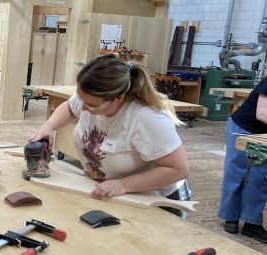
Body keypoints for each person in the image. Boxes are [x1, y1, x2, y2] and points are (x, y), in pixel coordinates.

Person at [29, 55, 191, 211]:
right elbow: (70, 108)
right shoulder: (90, 97)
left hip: (154, 199)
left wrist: (124, 184)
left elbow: (178, 169)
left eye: (92, 106)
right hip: (111, 192)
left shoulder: (148, 118)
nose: (83, 108)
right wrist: (49, 126)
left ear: (119, 97)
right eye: (81, 99)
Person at [218, 76, 267, 243]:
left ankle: (251, 224)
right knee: (237, 172)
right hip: (243, 127)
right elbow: (262, 113)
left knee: (260, 177)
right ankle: (230, 217)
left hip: (263, 133)